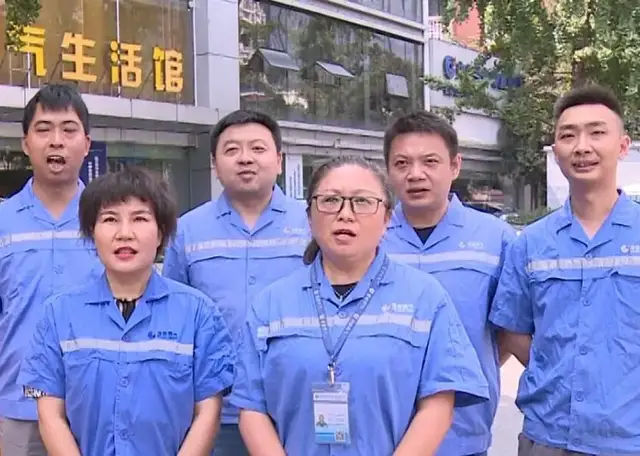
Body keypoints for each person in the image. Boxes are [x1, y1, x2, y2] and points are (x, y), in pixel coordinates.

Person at [230, 156, 490, 455]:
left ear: (387, 218)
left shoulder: (425, 298)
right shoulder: (271, 304)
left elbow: (439, 402)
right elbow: (251, 405)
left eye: (362, 202)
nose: (345, 214)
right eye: (330, 200)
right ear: (309, 216)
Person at [17, 166, 235, 456]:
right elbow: (50, 414)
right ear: (91, 232)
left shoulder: (198, 314)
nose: (124, 234)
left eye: (139, 219)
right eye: (110, 219)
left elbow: (208, 412)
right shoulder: (58, 315)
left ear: (161, 233)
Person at [490, 85, 640, 455]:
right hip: (548, 436)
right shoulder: (531, 243)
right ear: (556, 150)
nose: (582, 146)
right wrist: (555, 368)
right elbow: (513, 329)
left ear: (623, 146)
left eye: (597, 132)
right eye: (568, 135)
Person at [163, 109, 308, 454]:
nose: (245, 158)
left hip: (296, 406)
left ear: (279, 160)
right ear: (214, 164)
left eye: (258, 148)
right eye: (232, 150)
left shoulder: (311, 223)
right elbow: (174, 314)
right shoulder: (187, 230)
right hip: (215, 410)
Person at [380, 111, 516, 456]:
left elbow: (505, 331)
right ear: (388, 170)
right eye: (402, 163)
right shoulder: (370, 235)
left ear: (455, 166)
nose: (416, 174)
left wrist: (464, 368)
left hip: (463, 432)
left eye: (430, 161)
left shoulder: (495, 237)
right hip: (381, 431)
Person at [0, 84, 102, 456]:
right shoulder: (3, 220)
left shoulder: (110, 220)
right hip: (16, 408)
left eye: (68, 129)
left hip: (98, 406)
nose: (56, 141)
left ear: (86, 144)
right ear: (26, 144)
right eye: (43, 130)